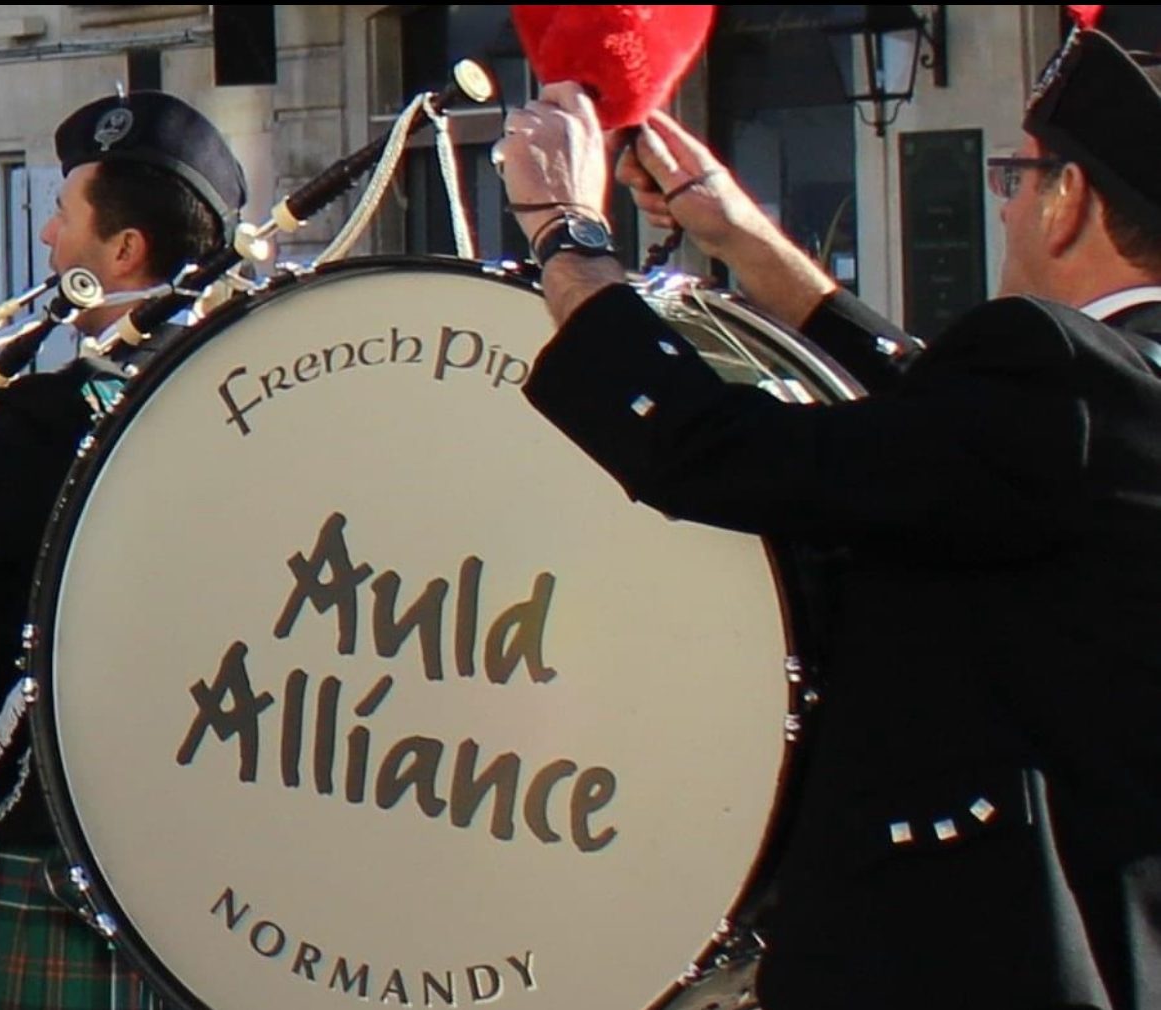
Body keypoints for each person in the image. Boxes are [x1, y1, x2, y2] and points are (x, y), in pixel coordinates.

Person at [492, 27, 1161, 1010]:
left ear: (1069, 202)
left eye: (1017, 178)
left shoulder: (1057, 379)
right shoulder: (1104, 391)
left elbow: (729, 453)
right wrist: (740, 236)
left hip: (955, 960)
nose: (1007, 202)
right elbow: (937, 426)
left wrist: (568, 240)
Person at [0, 90, 246, 1010]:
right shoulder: (246, 406)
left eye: (64, 213)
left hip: (64, 852)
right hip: (221, 867)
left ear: (126, 252)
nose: (45, 238)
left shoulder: (59, 424)